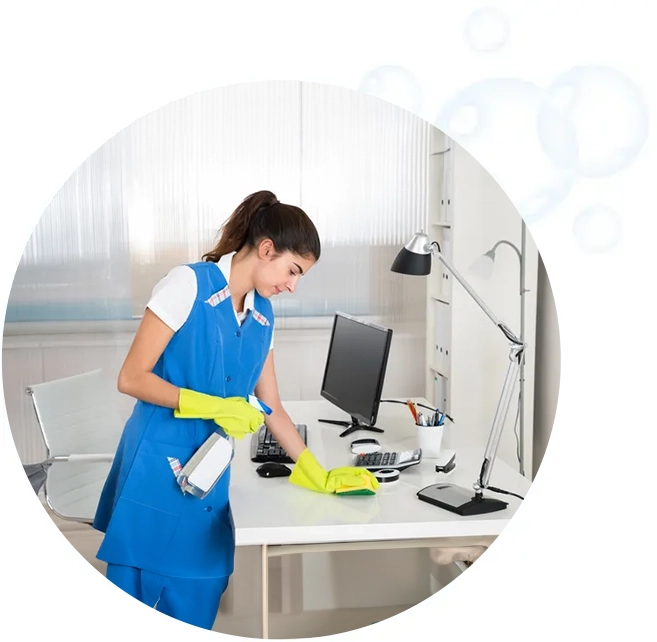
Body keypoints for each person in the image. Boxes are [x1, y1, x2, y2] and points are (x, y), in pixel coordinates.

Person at [92, 190, 379, 630]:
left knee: (198, 599)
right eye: (293, 270)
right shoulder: (188, 284)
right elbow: (131, 377)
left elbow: (272, 407)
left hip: (208, 477)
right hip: (155, 469)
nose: (292, 286)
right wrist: (211, 405)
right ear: (267, 250)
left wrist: (314, 471)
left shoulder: (262, 315)